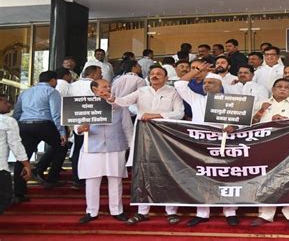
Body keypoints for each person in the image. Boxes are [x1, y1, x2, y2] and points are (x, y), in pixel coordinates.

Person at [107, 65, 184, 225]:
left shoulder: (173, 92)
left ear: (166, 78)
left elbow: (179, 113)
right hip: (144, 137)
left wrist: (155, 116)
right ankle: (142, 212)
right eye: (152, 74)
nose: (155, 76)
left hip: (166, 138)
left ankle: (171, 211)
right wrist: (112, 98)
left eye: (159, 74)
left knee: (168, 172)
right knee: (143, 173)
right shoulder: (142, 91)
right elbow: (123, 101)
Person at [175, 62, 239, 227]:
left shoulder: (232, 102)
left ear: (220, 85)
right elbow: (180, 84)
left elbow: (242, 124)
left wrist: (234, 126)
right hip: (200, 146)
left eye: (211, 83)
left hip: (225, 145)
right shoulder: (197, 99)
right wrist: (196, 71)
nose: (207, 85)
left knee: (227, 177)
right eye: (205, 83)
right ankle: (202, 213)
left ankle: (230, 211)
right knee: (201, 178)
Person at [250, 78, 289, 227]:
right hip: (266, 147)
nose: (283, 89)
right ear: (273, 89)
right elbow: (251, 125)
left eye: (286, 87)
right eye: (279, 87)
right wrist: (265, 114)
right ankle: (265, 214)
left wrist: (286, 122)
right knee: (266, 180)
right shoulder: (261, 104)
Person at [76, 79, 132, 224]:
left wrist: (132, 147)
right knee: (92, 181)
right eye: (104, 86)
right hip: (92, 146)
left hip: (116, 146)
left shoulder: (119, 104)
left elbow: (127, 127)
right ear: (95, 89)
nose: (108, 89)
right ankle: (91, 211)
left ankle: (117, 210)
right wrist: (81, 128)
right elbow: (76, 127)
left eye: (109, 86)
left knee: (116, 180)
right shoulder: (85, 105)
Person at [12, 71, 67, 203]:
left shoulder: (26, 92)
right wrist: (62, 132)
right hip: (44, 125)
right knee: (61, 146)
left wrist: (14, 128)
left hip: (25, 125)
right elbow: (56, 113)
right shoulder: (51, 92)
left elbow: (17, 112)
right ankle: (50, 177)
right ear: (53, 81)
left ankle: (19, 192)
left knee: (23, 157)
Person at [68, 65, 103, 189]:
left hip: (76, 120)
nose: (102, 75)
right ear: (93, 74)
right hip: (94, 121)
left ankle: (77, 178)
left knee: (78, 149)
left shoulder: (72, 86)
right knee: (93, 150)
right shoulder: (95, 85)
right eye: (100, 73)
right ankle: (92, 176)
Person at [0, 94, 31, 214]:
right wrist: (26, 164)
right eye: (6, 102)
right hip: (1, 169)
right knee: (4, 198)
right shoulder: (8, 121)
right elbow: (15, 144)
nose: (9, 105)